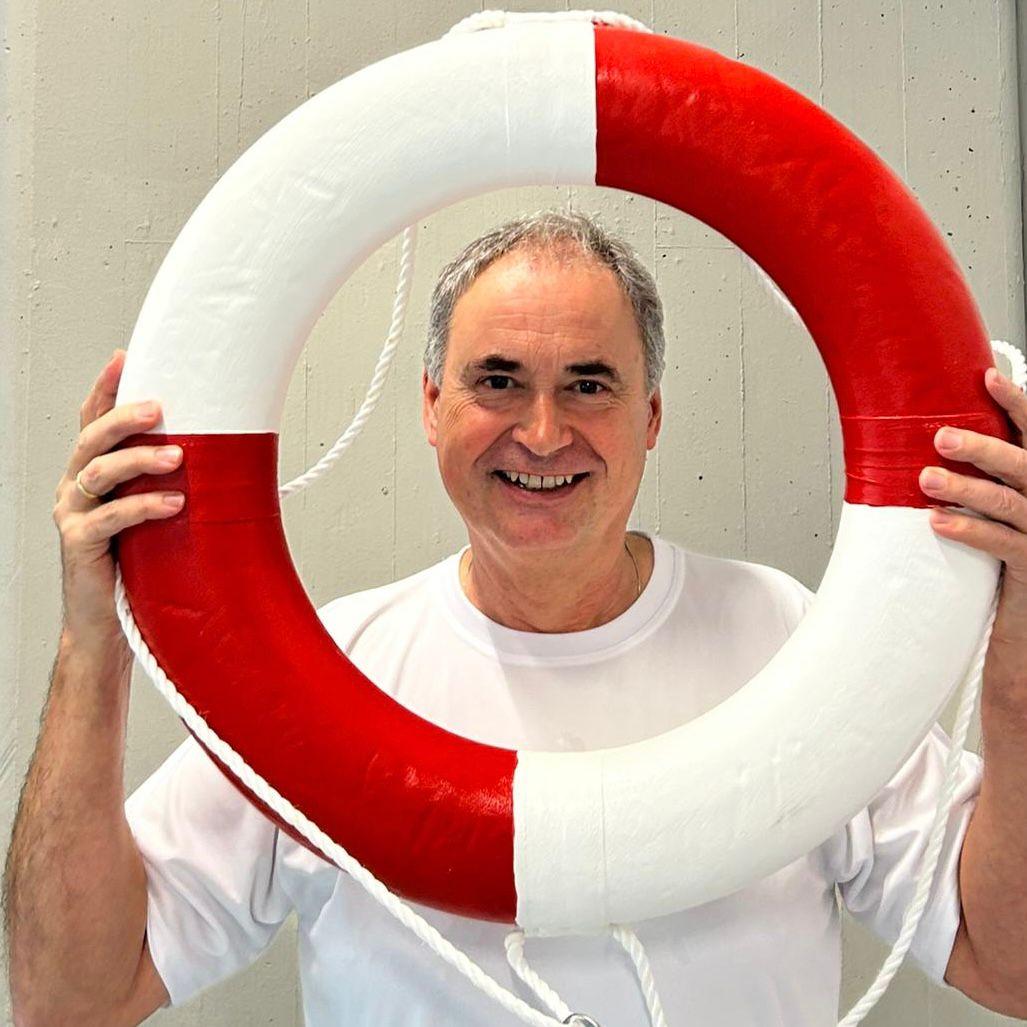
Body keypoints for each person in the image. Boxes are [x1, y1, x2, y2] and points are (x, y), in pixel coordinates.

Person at [6, 209, 1027, 1025]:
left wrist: (1020, 641)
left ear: (651, 418)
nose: (542, 433)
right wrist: (93, 640)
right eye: (498, 381)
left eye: (588, 384)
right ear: (431, 405)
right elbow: (71, 998)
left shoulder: (784, 640)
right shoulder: (326, 673)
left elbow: (1006, 962)